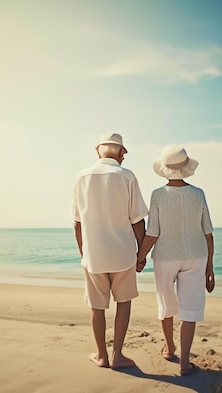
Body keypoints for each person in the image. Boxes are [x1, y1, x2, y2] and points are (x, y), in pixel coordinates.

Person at [136, 144, 215, 376]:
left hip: (165, 256)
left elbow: (152, 233)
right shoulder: (198, 194)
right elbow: (208, 233)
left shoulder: (158, 195)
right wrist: (210, 267)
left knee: (166, 304)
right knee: (190, 309)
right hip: (196, 255)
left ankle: (170, 349)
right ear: (186, 168)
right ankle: (185, 363)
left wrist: (139, 258)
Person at [72, 132, 148, 369]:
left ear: (98, 150)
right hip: (123, 254)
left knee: (97, 306)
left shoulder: (81, 177)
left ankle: (101, 355)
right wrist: (141, 253)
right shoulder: (127, 176)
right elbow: (137, 220)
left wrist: (84, 253)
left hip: (94, 255)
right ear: (122, 153)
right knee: (123, 303)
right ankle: (117, 355)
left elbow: (77, 223)